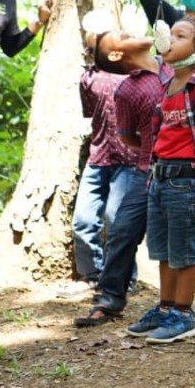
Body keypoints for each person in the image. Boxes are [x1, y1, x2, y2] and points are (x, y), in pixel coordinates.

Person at [124, 16, 195, 343]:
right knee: (164, 249)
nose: (169, 39)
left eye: (180, 35)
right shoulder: (166, 87)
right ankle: (165, 306)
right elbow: (159, 136)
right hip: (160, 179)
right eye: (170, 33)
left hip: (187, 182)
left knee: (185, 250)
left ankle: (183, 314)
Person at [74, 29, 173, 327]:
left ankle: (179, 304)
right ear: (117, 54)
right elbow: (128, 136)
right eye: (119, 35)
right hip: (146, 170)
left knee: (185, 236)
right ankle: (109, 297)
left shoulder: (174, 65)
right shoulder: (127, 91)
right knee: (122, 230)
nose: (127, 30)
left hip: (185, 171)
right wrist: (151, 150)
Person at [64, 48, 140, 294]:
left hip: (128, 160)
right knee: (83, 221)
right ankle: (93, 276)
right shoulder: (88, 77)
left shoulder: (136, 77)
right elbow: (89, 113)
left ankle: (124, 278)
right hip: (98, 158)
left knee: (118, 221)